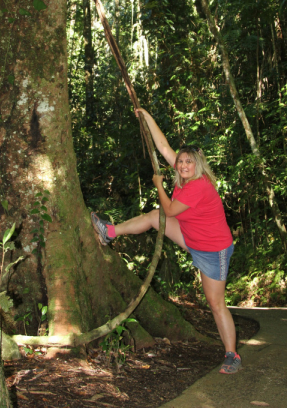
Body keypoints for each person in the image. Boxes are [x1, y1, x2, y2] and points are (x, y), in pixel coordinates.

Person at [91, 108, 241, 375]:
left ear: (198, 165)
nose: (182, 166)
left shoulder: (198, 185)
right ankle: (109, 232)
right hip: (192, 238)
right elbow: (163, 146)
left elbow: (171, 211)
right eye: (180, 162)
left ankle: (232, 354)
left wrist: (159, 184)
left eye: (188, 163)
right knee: (153, 216)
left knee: (216, 303)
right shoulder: (184, 174)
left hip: (213, 250)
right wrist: (147, 115)